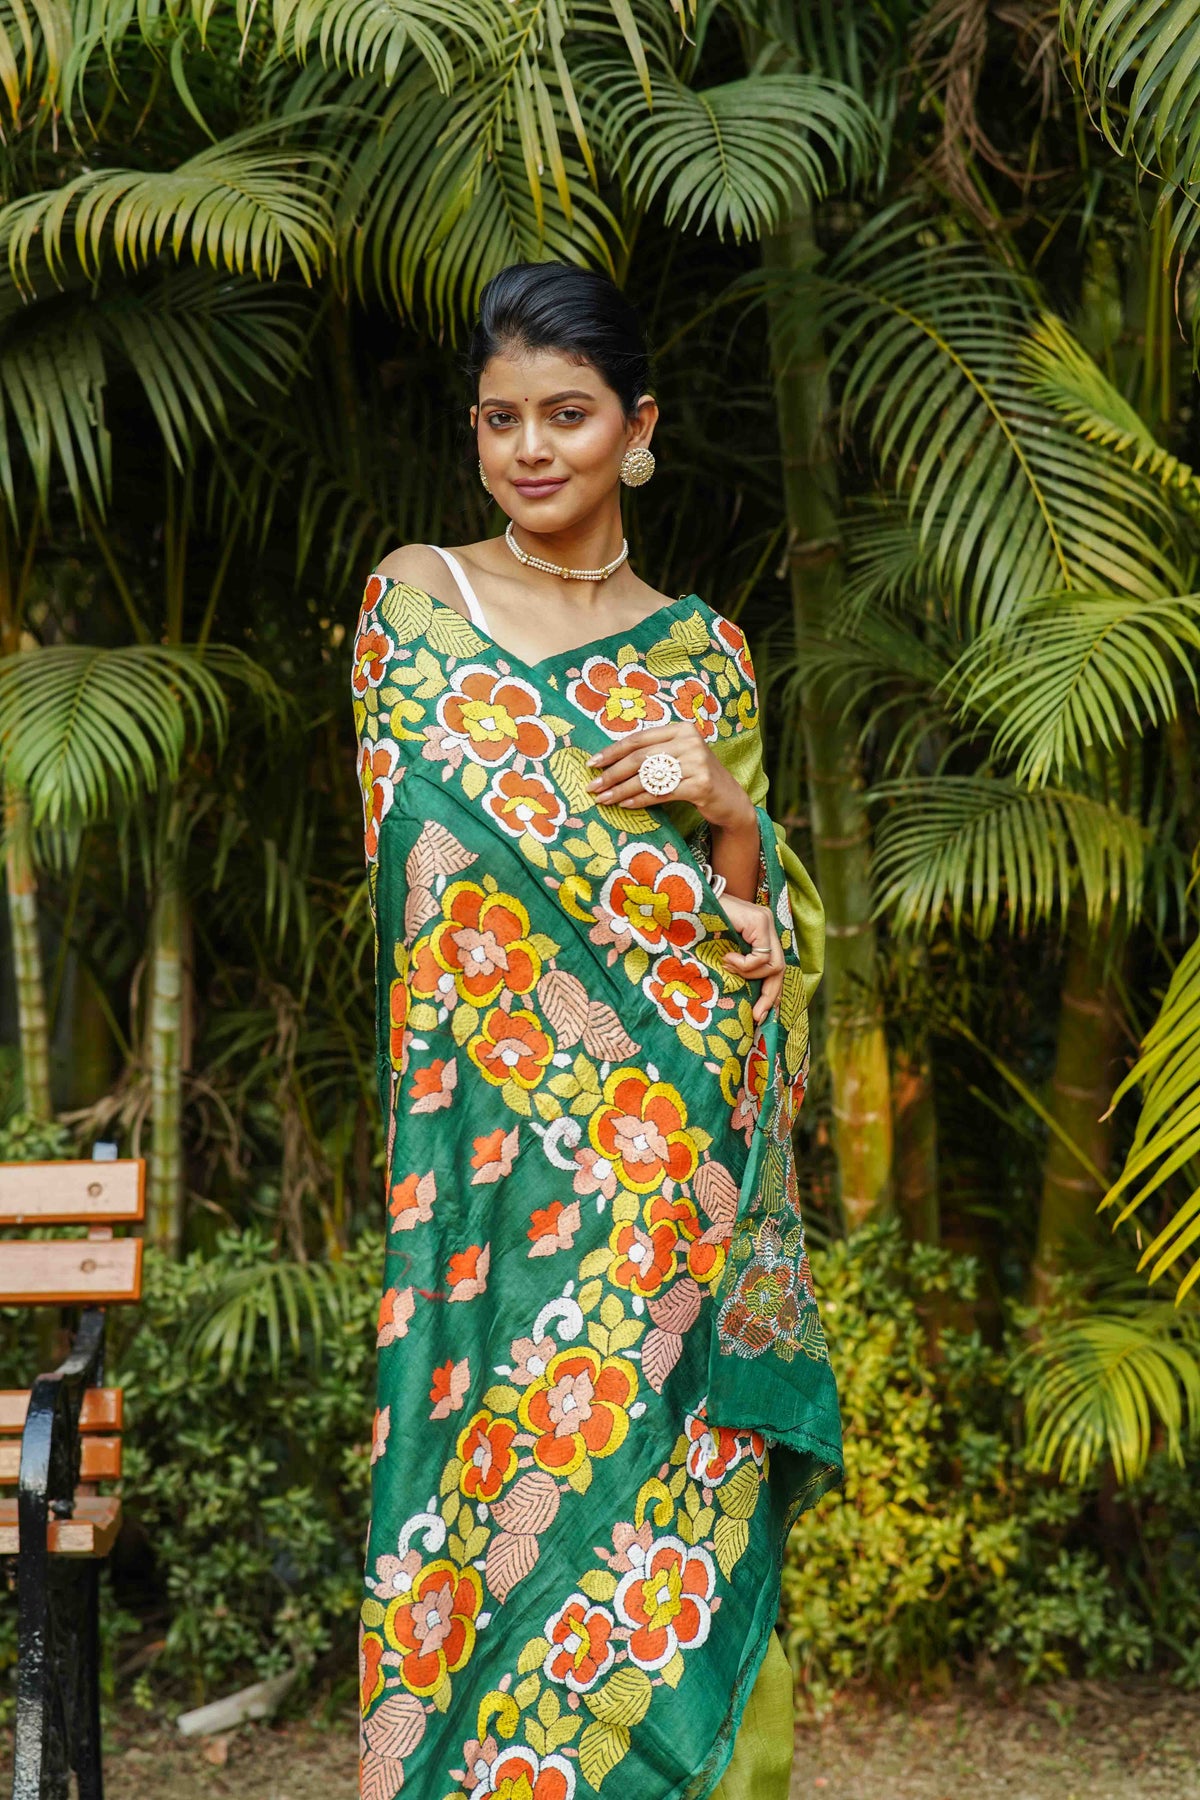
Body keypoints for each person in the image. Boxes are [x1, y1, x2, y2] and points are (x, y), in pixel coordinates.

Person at [351, 262, 843, 1800]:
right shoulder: (417, 600)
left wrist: (727, 807)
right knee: (481, 1503)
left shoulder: (710, 656)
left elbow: (751, 935)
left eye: (567, 415)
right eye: (501, 419)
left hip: (672, 1168)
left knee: (662, 1516)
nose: (530, 449)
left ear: (640, 428)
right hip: (497, 1162)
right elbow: (431, 849)